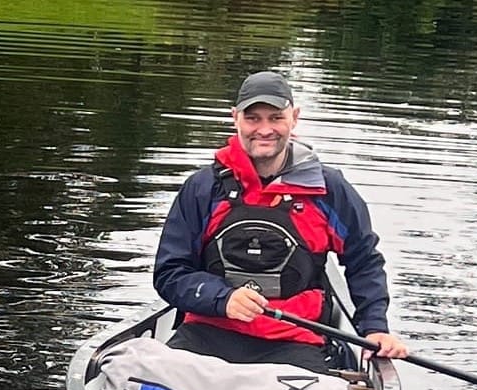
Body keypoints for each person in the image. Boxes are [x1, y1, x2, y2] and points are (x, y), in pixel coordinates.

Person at [154, 71, 408, 371]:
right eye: (253, 119)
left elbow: (363, 260)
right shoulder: (202, 189)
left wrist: (374, 327)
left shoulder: (329, 190)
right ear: (235, 118)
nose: (264, 130)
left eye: (275, 118)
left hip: (295, 341)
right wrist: (223, 298)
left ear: (294, 118)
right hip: (205, 333)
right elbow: (169, 274)